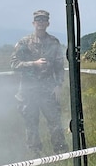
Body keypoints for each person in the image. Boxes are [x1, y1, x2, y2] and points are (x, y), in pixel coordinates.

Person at [10, 10, 69, 156]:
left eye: (43, 20)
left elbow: (59, 67)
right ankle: (35, 154)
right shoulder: (24, 43)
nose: (41, 23)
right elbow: (14, 64)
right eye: (38, 20)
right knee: (31, 123)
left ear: (48, 23)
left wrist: (58, 85)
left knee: (55, 122)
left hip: (48, 90)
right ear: (33, 23)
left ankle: (60, 152)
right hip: (29, 91)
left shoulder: (54, 42)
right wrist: (33, 64)